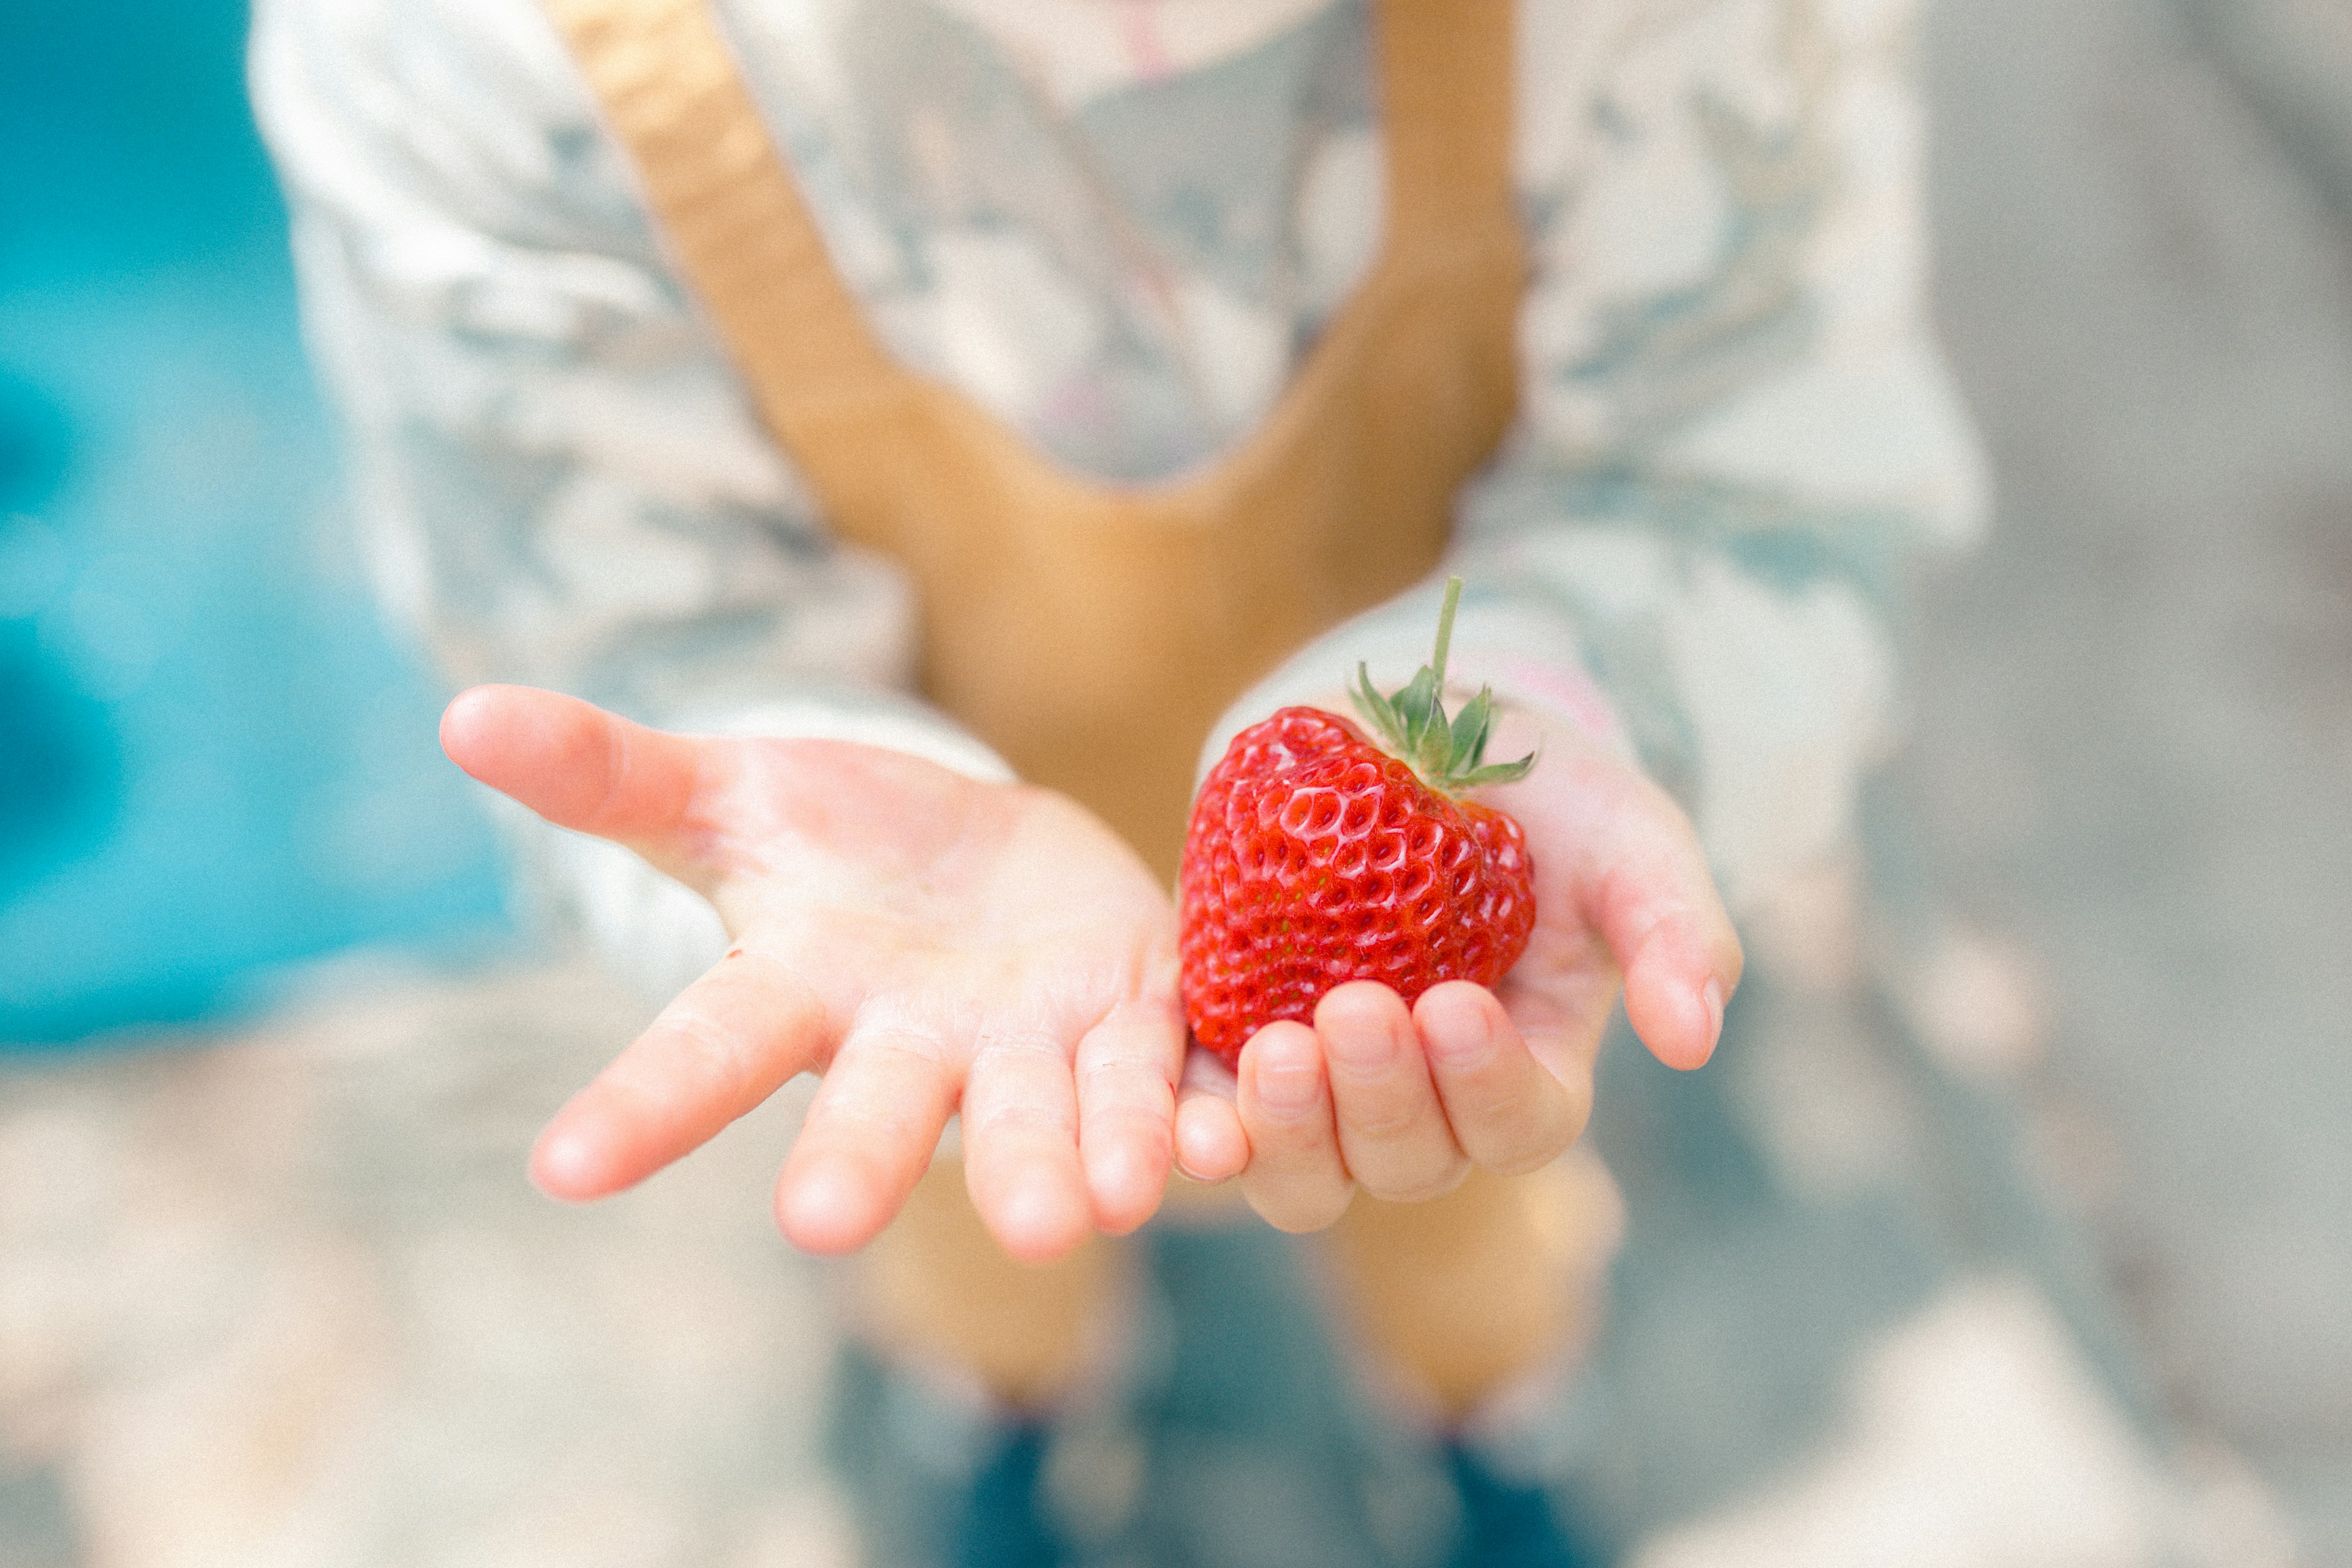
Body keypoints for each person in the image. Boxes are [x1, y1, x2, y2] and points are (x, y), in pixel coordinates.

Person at [252, 0, 1999, 1560]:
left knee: (1452, 1180)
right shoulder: (479, 58)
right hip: (932, 935)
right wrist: (765, 785)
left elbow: (1746, 461)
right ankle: (1006, 1407)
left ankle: (1488, 1422)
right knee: (978, 1212)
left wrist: (1576, 680)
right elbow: (632, 640)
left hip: (1444, 916)